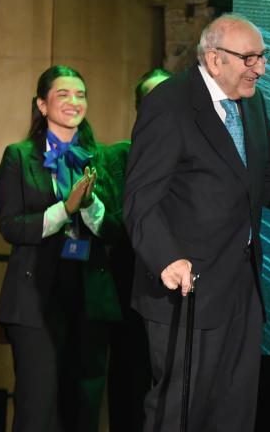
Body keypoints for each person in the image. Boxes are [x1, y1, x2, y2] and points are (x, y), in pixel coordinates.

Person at [123, 13, 270, 431]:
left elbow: (268, 174)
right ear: (214, 60)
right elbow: (141, 198)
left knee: (234, 411)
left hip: (241, 287)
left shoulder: (253, 104)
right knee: (182, 412)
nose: (261, 69)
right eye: (250, 59)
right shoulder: (170, 103)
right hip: (185, 289)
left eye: (262, 57)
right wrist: (168, 258)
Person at [0, 65, 122, 431]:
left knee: (84, 409)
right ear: (42, 105)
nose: (74, 101)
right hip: (35, 299)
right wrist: (63, 209)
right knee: (38, 408)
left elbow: (116, 228)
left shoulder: (101, 159)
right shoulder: (18, 156)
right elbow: (10, 226)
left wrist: (88, 205)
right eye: (63, 94)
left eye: (80, 94)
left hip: (90, 298)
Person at [106, 67, 171, 432]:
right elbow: (117, 221)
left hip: (176, 289)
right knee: (128, 379)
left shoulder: (190, 157)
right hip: (128, 284)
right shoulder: (119, 156)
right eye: (152, 96)